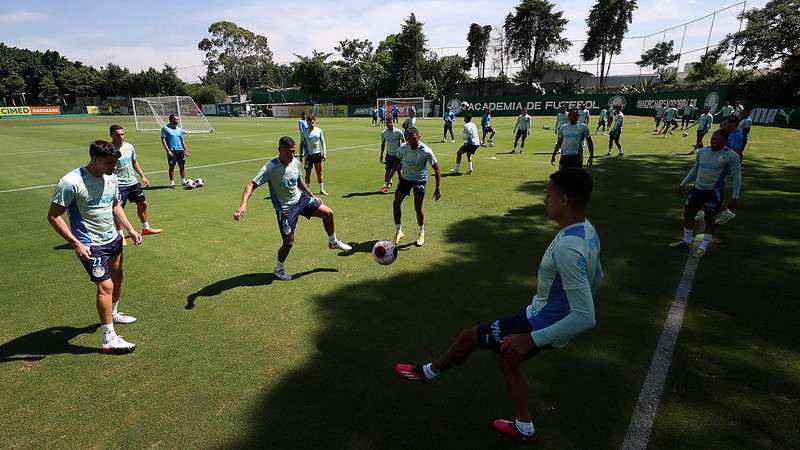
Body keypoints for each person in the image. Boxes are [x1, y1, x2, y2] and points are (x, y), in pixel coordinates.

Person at [394, 168, 602, 445]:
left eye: (548, 195)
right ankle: (525, 427)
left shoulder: (568, 248)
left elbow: (586, 316)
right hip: (547, 320)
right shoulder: (588, 231)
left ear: (564, 200)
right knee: (508, 360)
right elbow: (598, 275)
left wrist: (532, 338)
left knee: (468, 337)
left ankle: (428, 372)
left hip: (538, 324)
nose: (544, 200)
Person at [47, 140, 143, 354]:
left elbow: (115, 205)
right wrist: (75, 243)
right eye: (109, 163)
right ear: (94, 159)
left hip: (113, 239)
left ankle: (114, 314)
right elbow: (53, 216)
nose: (113, 167)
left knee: (118, 278)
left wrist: (130, 228)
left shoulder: (112, 178)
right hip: (90, 245)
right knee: (105, 286)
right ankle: (108, 337)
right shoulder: (71, 182)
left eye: (115, 163)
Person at [234, 136, 352, 281]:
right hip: (285, 209)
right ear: (279, 150)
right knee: (288, 243)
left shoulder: (295, 162)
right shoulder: (270, 168)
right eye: (289, 152)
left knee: (328, 213)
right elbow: (250, 185)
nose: (292, 155)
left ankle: (333, 241)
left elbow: (299, 181)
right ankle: (279, 269)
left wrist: (311, 195)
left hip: (301, 200)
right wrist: (243, 204)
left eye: (294, 151)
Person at [670, 128, 741, 257]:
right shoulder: (703, 152)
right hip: (697, 190)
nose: (715, 141)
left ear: (725, 141)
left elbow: (737, 177)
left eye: (719, 139)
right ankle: (686, 240)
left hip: (714, 193)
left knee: (709, 219)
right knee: (688, 215)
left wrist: (735, 197)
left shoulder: (731, 156)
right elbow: (695, 169)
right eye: (713, 138)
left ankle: (703, 247)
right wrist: (683, 184)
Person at [110, 125, 162, 244]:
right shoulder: (109, 149)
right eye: (118, 134)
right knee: (119, 210)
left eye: (123, 134)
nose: (121, 137)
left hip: (132, 182)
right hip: (118, 185)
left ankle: (146, 228)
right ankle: (120, 235)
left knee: (143, 203)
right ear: (112, 135)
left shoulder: (129, 147)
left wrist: (143, 176)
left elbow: (134, 162)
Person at [392, 127, 442, 246]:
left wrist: (438, 187)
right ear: (407, 140)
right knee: (396, 203)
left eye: (414, 139)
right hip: (406, 179)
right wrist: (390, 176)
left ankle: (421, 233)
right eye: (410, 140)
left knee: (418, 208)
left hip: (420, 179)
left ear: (419, 138)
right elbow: (396, 161)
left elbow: (437, 168)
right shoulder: (403, 148)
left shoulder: (426, 151)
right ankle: (398, 231)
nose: (412, 142)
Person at [713, 115, 744, 225]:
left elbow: (735, 151)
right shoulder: (731, 134)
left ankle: (724, 211)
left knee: (712, 187)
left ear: (733, 123)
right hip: (723, 163)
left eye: (726, 124)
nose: (724, 126)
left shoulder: (736, 136)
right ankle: (719, 211)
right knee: (712, 187)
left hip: (725, 164)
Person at [300, 115, 328, 195]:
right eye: (310, 123)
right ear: (307, 123)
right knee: (307, 173)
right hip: (308, 155)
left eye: (313, 122)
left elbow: (323, 142)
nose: (311, 124)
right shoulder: (304, 132)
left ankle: (321, 189)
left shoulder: (319, 130)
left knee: (319, 172)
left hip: (317, 154)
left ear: (315, 122)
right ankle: (307, 191)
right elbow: (301, 144)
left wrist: (324, 153)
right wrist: (301, 154)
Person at [160, 114, 190, 189]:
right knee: (172, 166)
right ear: (171, 120)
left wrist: (185, 150)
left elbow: (182, 140)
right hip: (172, 151)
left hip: (180, 150)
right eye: (176, 119)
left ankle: (183, 181)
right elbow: (163, 140)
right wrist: (168, 150)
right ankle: (172, 183)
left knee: (182, 166)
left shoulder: (179, 129)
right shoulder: (165, 128)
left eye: (177, 119)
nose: (177, 121)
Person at [380, 117, 406, 193]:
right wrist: (381, 154)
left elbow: (404, 143)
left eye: (390, 122)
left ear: (393, 122)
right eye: (387, 122)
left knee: (399, 171)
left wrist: (404, 154)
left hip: (397, 156)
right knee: (388, 171)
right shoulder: (384, 132)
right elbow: (383, 143)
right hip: (389, 155)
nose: (389, 124)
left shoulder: (398, 132)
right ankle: (385, 185)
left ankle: (402, 186)